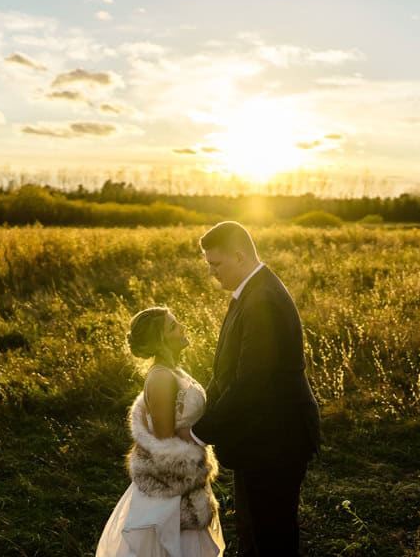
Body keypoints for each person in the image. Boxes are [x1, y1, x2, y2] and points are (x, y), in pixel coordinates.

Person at [181, 221, 321, 556]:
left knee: (270, 535)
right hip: (259, 436)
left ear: (240, 257)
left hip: (277, 440)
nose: (212, 273)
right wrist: (201, 411)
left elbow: (251, 381)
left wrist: (200, 432)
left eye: (216, 264)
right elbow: (228, 371)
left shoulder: (262, 300)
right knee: (251, 530)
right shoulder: (252, 291)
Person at [96, 307, 225, 557]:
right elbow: (165, 441)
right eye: (174, 326)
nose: (183, 328)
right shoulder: (161, 378)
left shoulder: (173, 371)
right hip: (173, 481)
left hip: (189, 472)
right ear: (161, 339)